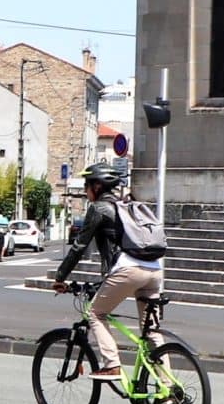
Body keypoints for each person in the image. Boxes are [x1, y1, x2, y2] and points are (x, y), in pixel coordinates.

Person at [51, 163, 164, 380]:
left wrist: (60, 277)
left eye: (87, 185)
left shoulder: (99, 208)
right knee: (151, 333)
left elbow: (79, 247)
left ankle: (112, 364)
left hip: (128, 270)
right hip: (153, 270)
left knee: (95, 313)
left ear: (97, 186)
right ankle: (168, 390)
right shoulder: (125, 205)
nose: (85, 190)